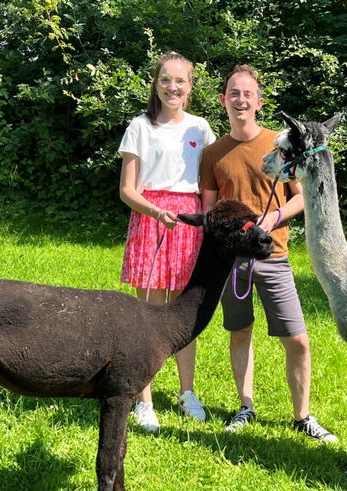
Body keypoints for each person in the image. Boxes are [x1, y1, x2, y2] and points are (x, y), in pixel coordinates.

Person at [199, 65, 337, 443]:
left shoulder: (280, 145)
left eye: (247, 94)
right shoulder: (212, 154)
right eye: (233, 93)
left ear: (259, 102)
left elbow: (302, 197)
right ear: (223, 99)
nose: (240, 100)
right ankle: (245, 407)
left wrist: (275, 215)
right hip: (234, 263)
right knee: (240, 332)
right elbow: (210, 211)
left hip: (274, 255)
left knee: (297, 339)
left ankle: (302, 416)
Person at [118, 52, 216, 433]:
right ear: (155, 84)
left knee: (182, 313)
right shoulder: (140, 127)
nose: (172, 87)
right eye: (165, 80)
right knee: (148, 311)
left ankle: (186, 392)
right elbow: (127, 190)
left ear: (190, 87)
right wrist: (156, 212)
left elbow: (210, 180)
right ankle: (143, 399)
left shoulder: (200, 128)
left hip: (189, 222)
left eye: (180, 81)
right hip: (150, 219)